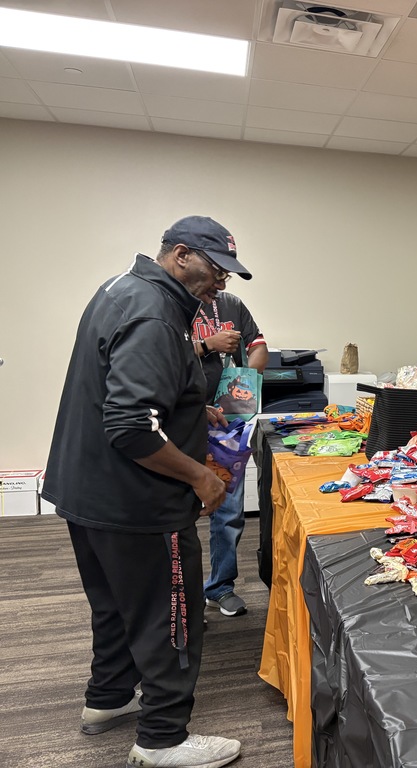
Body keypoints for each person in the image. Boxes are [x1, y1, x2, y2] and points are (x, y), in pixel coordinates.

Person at [42, 215, 250, 768]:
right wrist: (200, 477)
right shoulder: (157, 314)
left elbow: (125, 387)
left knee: (115, 605)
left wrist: (190, 406)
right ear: (181, 255)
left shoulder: (121, 288)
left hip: (87, 493)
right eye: (215, 269)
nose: (221, 282)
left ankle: (108, 698)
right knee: (170, 616)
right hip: (138, 503)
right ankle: (163, 738)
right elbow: (132, 425)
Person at [192, 291, 268, 618]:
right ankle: (180, 599)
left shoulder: (231, 304)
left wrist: (246, 383)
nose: (220, 280)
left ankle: (220, 587)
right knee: (177, 513)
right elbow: (161, 355)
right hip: (183, 419)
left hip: (227, 423)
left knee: (229, 510)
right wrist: (207, 345)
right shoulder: (170, 302)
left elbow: (258, 346)